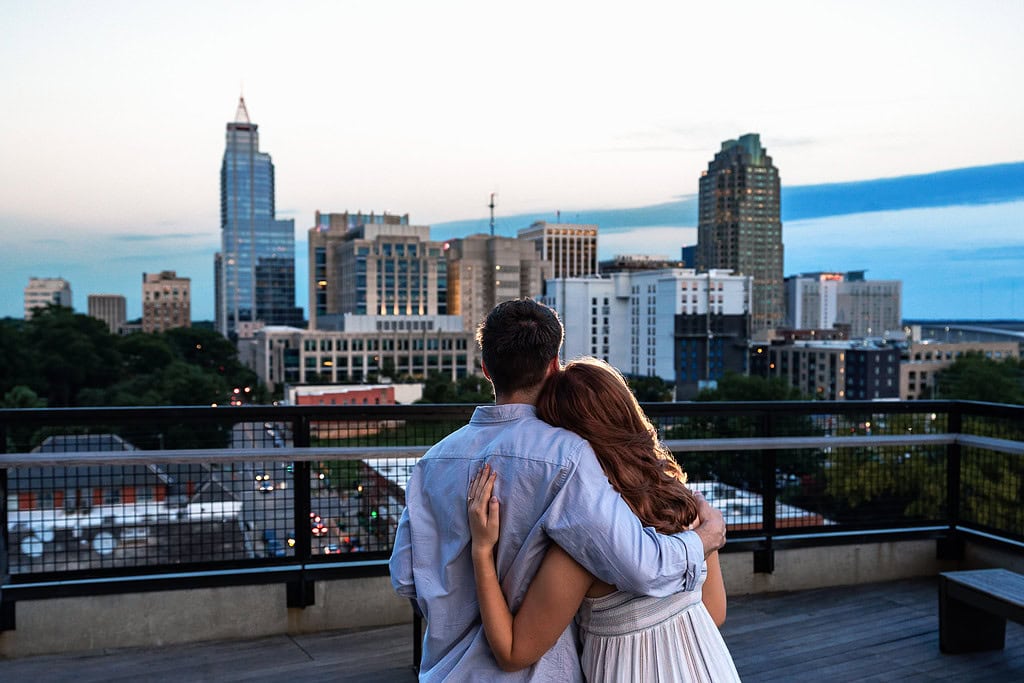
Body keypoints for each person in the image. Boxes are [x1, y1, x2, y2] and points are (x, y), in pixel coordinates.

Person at [390, 299, 726, 680]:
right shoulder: (569, 456)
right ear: (553, 365)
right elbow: (638, 562)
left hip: (446, 671)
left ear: (486, 369)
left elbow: (405, 576)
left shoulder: (432, 463)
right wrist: (704, 540)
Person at [468, 357, 740, 682]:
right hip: (710, 668)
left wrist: (482, 552)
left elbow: (514, 652)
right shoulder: (684, 505)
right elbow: (714, 611)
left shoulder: (584, 547)